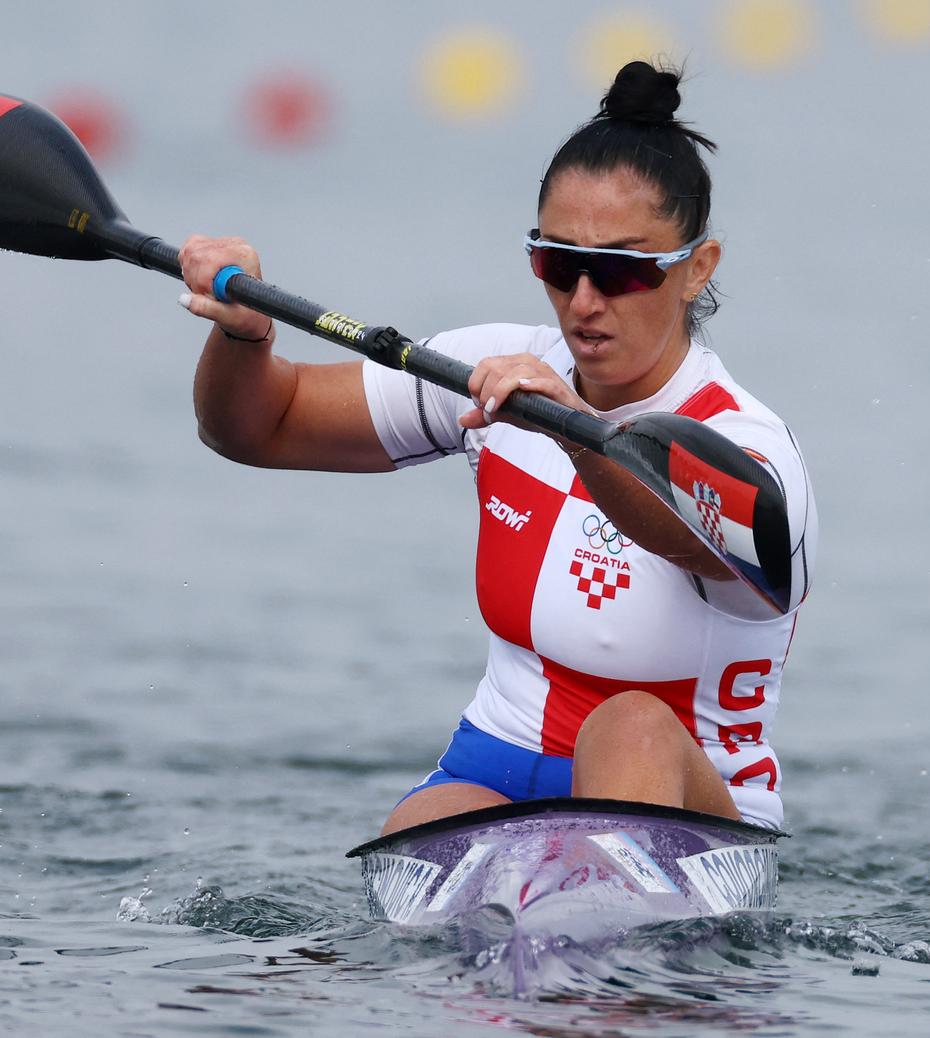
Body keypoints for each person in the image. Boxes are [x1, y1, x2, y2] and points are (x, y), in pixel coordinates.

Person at [175, 61, 816, 835]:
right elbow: (255, 427)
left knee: (630, 720)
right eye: (558, 262)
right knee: (414, 834)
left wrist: (574, 433)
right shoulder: (495, 368)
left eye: (619, 270)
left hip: (677, 787)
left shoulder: (744, 442)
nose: (584, 300)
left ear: (695, 270)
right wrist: (243, 335)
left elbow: (700, 542)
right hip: (497, 763)